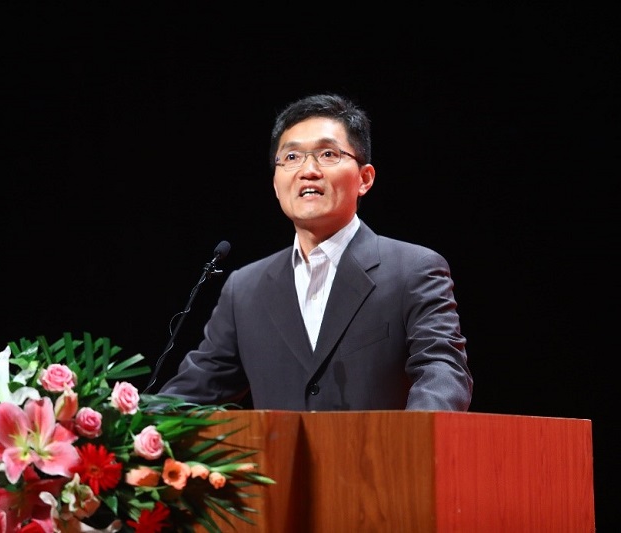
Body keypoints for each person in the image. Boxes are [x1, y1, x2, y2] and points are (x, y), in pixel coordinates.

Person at [157, 93, 472, 411]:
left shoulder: (413, 270)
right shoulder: (245, 289)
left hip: (385, 445)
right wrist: (129, 423)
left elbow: (443, 374)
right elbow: (193, 393)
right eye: (291, 157)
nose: (308, 170)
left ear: (364, 179)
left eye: (327, 154)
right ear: (276, 184)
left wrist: (410, 440)